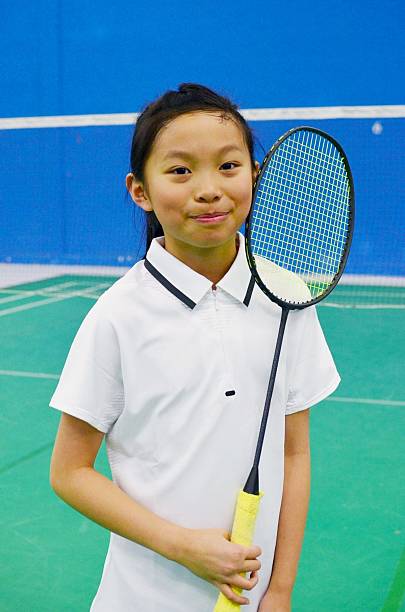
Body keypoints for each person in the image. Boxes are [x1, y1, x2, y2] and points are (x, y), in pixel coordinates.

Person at [49, 83, 340, 612]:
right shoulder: (117, 317)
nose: (209, 189)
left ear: (255, 175)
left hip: (251, 599)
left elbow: (294, 452)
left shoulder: (289, 298)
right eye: (180, 170)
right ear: (141, 190)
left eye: (229, 166)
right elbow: (70, 472)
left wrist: (279, 590)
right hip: (141, 597)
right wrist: (183, 547)